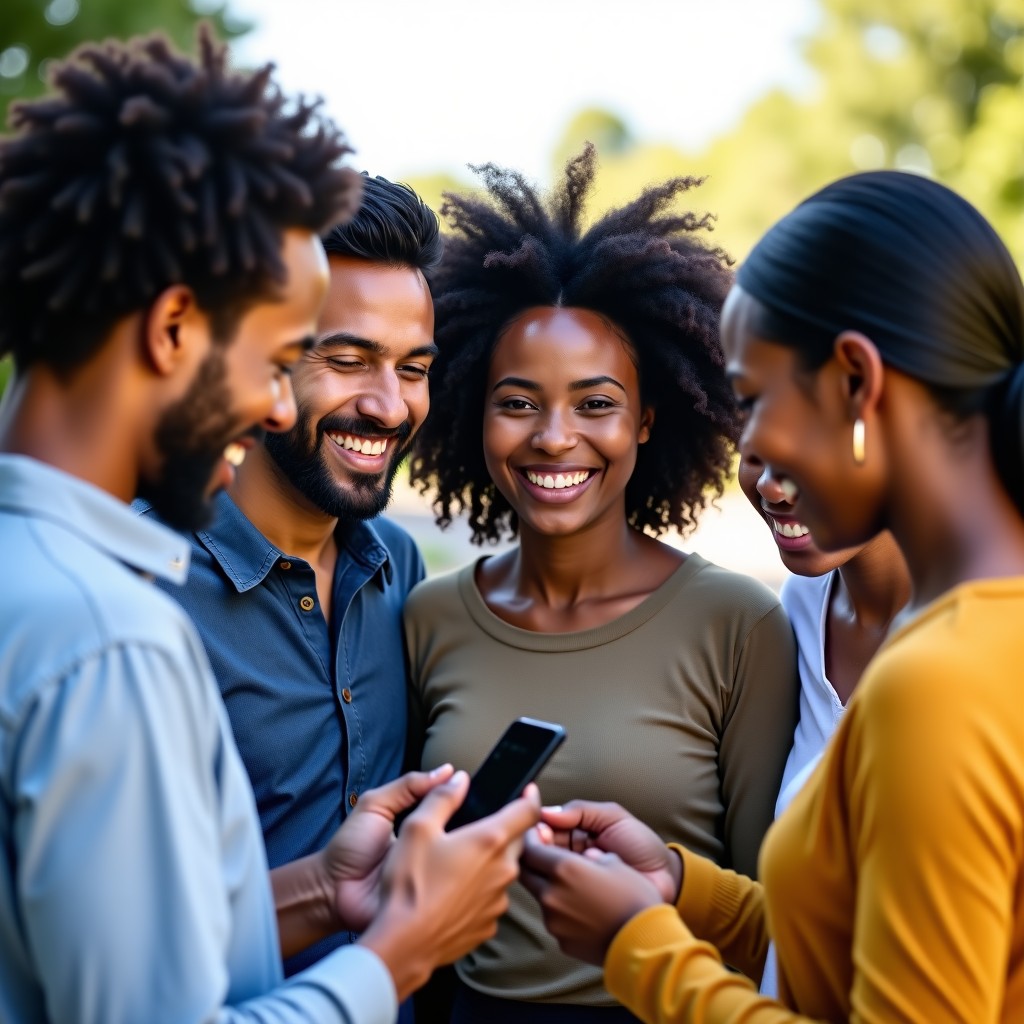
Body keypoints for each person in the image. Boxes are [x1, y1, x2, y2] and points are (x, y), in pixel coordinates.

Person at [0, 30, 539, 1024]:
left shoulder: (399, 569)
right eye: (293, 354)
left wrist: (326, 895)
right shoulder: (116, 627)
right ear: (172, 331)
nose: (280, 407)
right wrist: (398, 947)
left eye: (414, 366)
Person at [520, 169, 1024, 1023]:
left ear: (857, 381)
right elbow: (852, 959)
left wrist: (637, 948)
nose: (749, 449)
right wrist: (682, 891)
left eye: (754, 400)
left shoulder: (938, 679)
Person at [405, 145, 799, 1022]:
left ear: (647, 420)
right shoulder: (429, 618)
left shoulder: (737, 625)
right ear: (475, 415)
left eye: (594, 403)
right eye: (517, 402)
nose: (554, 437)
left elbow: (773, 919)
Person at [137, 173, 440, 977]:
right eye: (347, 359)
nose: (388, 405)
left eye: (414, 368)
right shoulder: (139, 583)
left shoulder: (398, 566)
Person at [737, 454, 910, 996]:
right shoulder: (802, 606)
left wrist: (645, 954)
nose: (770, 484)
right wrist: (673, 886)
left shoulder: (984, 640)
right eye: (755, 450)